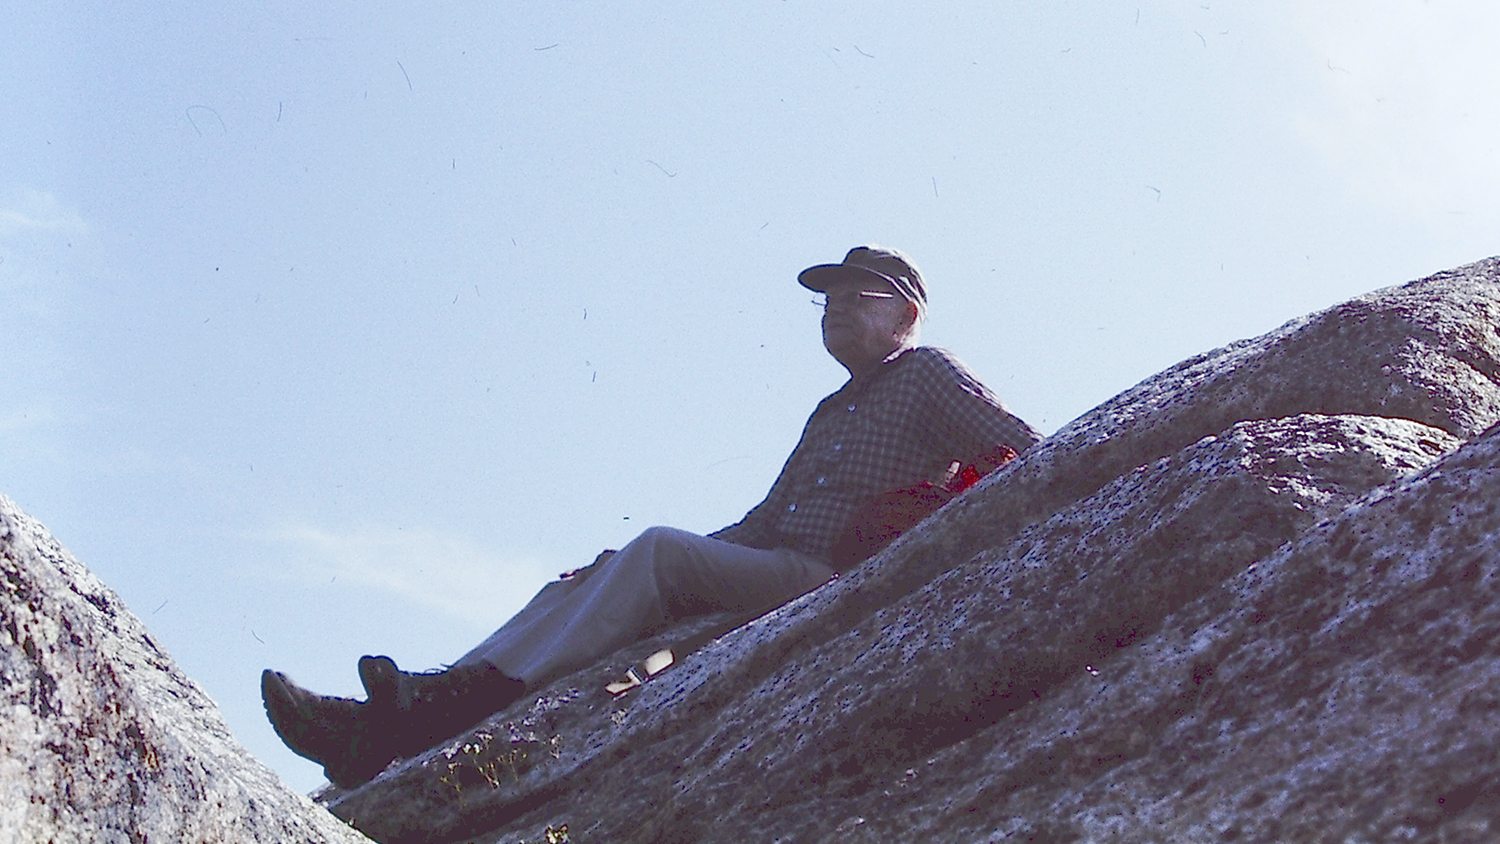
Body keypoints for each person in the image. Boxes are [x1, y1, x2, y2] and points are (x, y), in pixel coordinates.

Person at [261, 245, 1042, 788]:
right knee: (584, 580)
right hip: (781, 565)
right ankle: (398, 716)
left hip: (834, 577)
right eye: (827, 297)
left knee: (657, 552)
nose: (833, 307)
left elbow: (1028, 448)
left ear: (906, 310)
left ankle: (437, 706)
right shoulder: (832, 410)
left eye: (854, 294)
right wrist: (621, 568)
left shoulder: (928, 373)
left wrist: (939, 523)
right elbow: (763, 523)